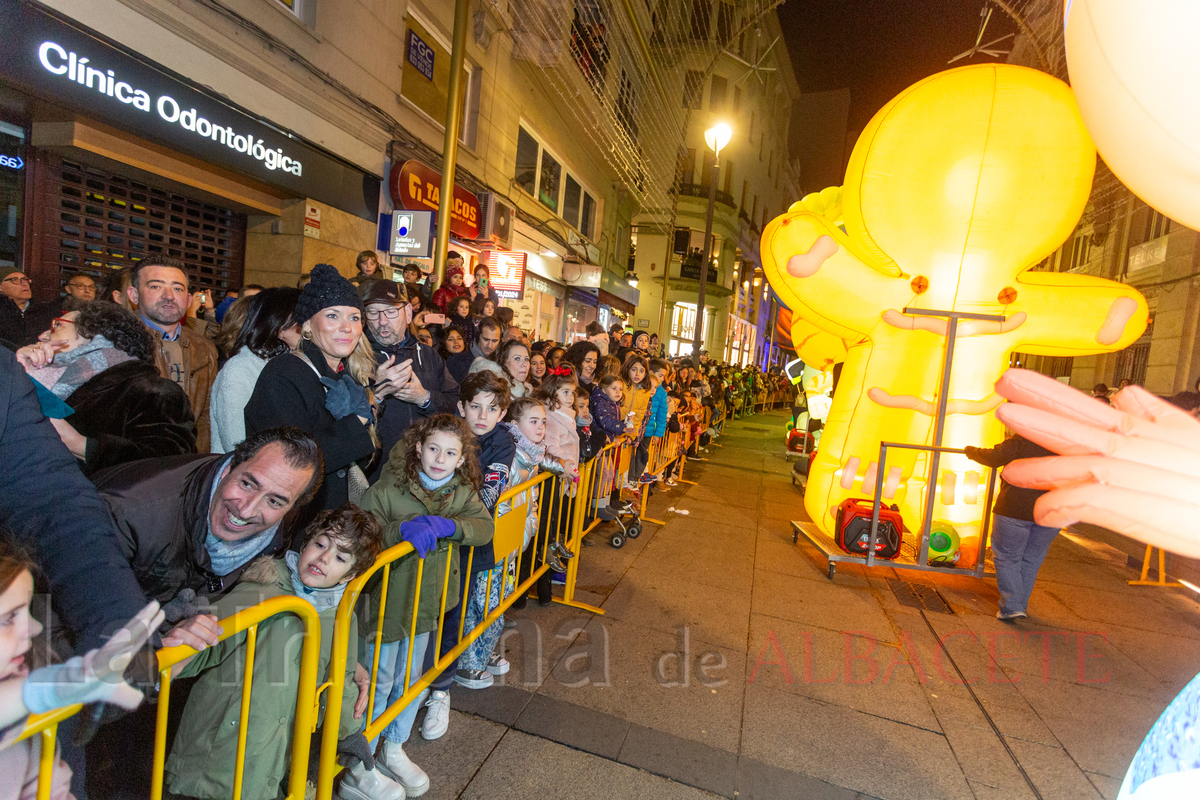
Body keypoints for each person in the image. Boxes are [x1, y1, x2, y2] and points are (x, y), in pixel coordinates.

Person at [165, 506, 398, 800]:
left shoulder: (342, 615)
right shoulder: (266, 586)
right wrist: (169, 659)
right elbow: (212, 635)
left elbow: (341, 677)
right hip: (226, 735)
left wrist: (348, 734)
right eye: (320, 544)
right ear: (306, 543)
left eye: (340, 557)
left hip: (277, 740)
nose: (323, 558)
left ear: (348, 576)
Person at [357, 414, 494, 797]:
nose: (439, 458)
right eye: (433, 448)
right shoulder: (387, 489)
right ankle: (360, 754)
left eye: (450, 452)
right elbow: (361, 532)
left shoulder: (461, 493)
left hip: (428, 604)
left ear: (461, 459)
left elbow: (485, 527)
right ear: (418, 449)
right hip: (386, 605)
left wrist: (454, 527)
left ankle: (394, 746)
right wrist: (398, 531)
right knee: (377, 680)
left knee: (410, 678)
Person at [0, 535, 163, 800]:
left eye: (28, 612)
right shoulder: (30, 688)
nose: (36, 627)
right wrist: (62, 683)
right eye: (8, 619)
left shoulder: (30, 669)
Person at [420, 371, 514, 741]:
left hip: (470, 546)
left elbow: (489, 492)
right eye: (474, 406)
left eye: (492, 408)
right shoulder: (446, 434)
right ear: (461, 407)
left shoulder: (502, 442)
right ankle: (412, 688)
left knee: (454, 615)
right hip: (431, 543)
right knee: (424, 612)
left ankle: (440, 690)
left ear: (502, 414)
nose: (482, 415)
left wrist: (454, 517)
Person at [245, 264, 377, 514]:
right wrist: (358, 420)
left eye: (354, 317)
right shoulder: (284, 373)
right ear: (306, 326)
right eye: (332, 316)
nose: (346, 327)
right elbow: (291, 461)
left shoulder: (349, 376)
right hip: (295, 520)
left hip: (332, 520)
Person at [14, 302, 196, 475]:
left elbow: (169, 465)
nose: (43, 335)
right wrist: (16, 369)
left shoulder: (153, 391)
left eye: (57, 325)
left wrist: (82, 445)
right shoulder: (39, 375)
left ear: (94, 334)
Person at [361, 280, 459, 482]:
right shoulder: (356, 356)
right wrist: (374, 393)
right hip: (377, 476)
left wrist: (425, 398)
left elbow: (456, 403)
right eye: (373, 312)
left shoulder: (428, 355)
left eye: (390, 311)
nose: (382, 321)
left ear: (407, 312)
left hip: (427, 474)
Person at [126, 255, 219, 452]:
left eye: (177, 288)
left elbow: (207, 419)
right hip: (132, 465)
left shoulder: (203, 347)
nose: (169, 295)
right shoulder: (116, 341)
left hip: (186, 464)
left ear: (188, 300)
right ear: (133, 295)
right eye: (155, 286)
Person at [209, 288, 302, 454]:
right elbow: (235, 444)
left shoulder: (289, 364)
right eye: (301, 320)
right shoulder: (240, 370)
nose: (309, 328)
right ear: (278, 326)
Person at [0, 269, 57, 350]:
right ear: (1, 287)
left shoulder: (45, 311)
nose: (25, 284)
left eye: (26, 280)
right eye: (15, 280)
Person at [447, 317, 499, 385]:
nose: (489, 345)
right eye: (486, 340)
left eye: (494, 341)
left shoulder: (502, 361)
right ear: (477, 337)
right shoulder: (457, 361)